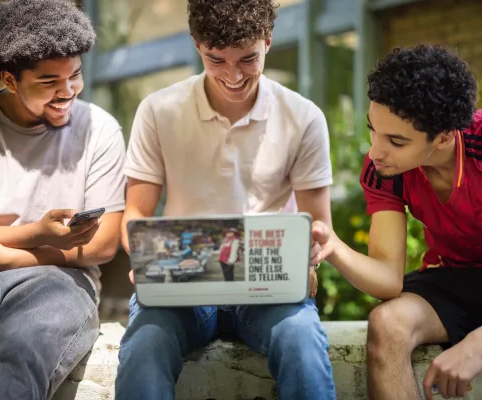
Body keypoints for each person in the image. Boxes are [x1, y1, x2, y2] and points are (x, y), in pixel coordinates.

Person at [115, 0, 336, 398]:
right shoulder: (158, 110)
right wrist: (147, 257)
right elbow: (136, 213)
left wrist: (311, 250)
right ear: (197, 45)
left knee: (301, 339)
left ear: (268, 41)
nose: (233, 75)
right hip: (182, 284)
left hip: (268, 288)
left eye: (248, 58)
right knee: (145, 344)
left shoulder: (303, 117)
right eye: (216, 59)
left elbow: (319, 226)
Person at [0, 1, 126, 399]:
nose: (67, 92)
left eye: (75, 76)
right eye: (49, 81)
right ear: (10, 80)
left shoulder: (99, 130)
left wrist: (16, 255)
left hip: (61, 281)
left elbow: (102, 245)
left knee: (20, 354)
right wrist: (37, 232)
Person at [311, 44, 482, 400]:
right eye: (373, 131)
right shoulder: (384, 170)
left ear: (443, 137)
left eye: (395, 140)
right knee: (387, 323)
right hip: (455, 280)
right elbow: (387, 280)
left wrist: (479, 342)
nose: (376, 151)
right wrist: (333, 247)